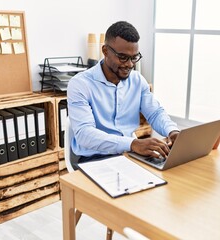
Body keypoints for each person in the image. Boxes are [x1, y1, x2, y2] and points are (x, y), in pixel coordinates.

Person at [67, 21, 180, 168]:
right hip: (93, 159)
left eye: (134, 57)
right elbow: (84, 134)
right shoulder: (80, 84)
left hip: (128, 155)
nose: (130, 64)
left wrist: (172, 131)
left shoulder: (137, 80)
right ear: (105, 51)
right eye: (123, 57)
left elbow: (155, 113)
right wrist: (132, 144)